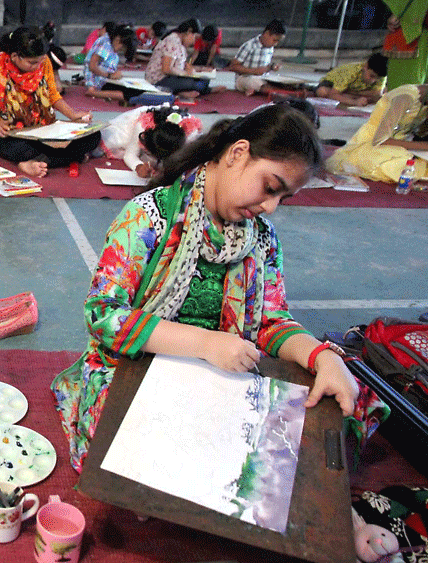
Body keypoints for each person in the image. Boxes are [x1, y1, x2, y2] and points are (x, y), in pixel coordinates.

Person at [51, 104, 381, 473]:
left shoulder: (261, 238)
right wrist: (204, 344)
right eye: (270, 188)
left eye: (282, 198)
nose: (271, 207)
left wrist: (322, 357)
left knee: (346, 396)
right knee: (139, 445)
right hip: (143, 363)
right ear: (237, 153)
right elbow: (104, 315)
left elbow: (271, 320)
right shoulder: (150, 216)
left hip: (223, 366)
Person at [0, 26, 97, 178]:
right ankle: (58, 158)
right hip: (16, 137)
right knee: (12, 147)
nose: (38, 66)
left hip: (45, 129)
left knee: (93, 137)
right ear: (14, 56)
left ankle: (38, 160)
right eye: (32, 62)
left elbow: (52, 94)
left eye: (41, 60)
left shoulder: (43, 63)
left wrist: (73, 115)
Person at [327, 83, 428, 183]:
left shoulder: (423, 98)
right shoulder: (405, 97)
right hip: (373, 143)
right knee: (404, 167)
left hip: (400, 144)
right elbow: (380, 140)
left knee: (417, 165)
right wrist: (421, 146)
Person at [101, 104, 202, 178]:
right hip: (132, 126)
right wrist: (138, 167)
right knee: (116, 142)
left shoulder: (190, 133)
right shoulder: (143, 127)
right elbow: (130, 155)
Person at [146, 19, 226, 101]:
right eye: (194, 36)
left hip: (171, 77)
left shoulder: (180, 43)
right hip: (158, 79)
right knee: (198, 85)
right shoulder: (172, 41)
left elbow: (183, 65)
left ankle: (181, 92)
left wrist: (200, 70)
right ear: (188, 32)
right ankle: (188, 92)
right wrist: (185, 74)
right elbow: (166, 69)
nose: (194, 41)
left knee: (205, 79)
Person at [229, 19, 287, 97]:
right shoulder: (249, 46)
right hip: (244, 78)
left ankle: (259, 90)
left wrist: (272, 67)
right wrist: (254, 71)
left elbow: (265, 67)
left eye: (278, 41)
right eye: (274, 40)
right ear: (266, 34)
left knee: (279, 81)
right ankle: (280, 94)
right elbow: (233, 67)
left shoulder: (270, 48)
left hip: (262, 78)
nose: (275, 44)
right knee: (255, 81)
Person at [84, 24, 137, 101]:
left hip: (106, 78)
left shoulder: (111, 44)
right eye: (122, 47)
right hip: (99, 81)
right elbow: (92, 66)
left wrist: (114, 74)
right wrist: (109, 75)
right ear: (118, 39)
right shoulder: (106, 45)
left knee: (133, 90)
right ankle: (93, 92)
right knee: (127, 94)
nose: (120, 49)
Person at [316, 53, 388, 106]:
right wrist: (354, 102)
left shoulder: (381, 75)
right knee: (322, 92)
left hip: (349, 91)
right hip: (332, 84)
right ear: (365, 66)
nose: (373, 81)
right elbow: (333, 94)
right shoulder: (350, 71)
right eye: (371, 76)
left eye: (377, 78)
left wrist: (352, 93)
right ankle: (350, 97)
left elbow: (377, 94)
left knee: (382, 97)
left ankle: (348, 96)